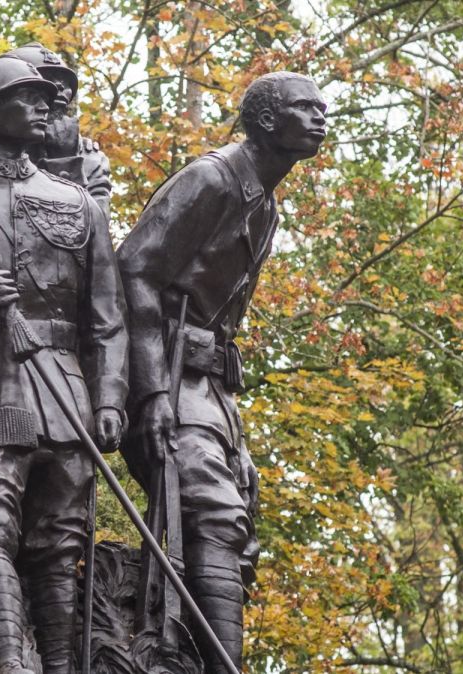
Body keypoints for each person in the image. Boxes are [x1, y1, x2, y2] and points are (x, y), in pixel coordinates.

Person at [116, 71, 327, 671]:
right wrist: (151, 391)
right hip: (164, 372)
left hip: (208, 383)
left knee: (239, 525)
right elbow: (133, 269)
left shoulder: (268, 204)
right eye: (304, 108)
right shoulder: (211, 180)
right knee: (212, 508)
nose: (320, 118)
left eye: (322, 109)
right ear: (265, 120)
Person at [0, 56, 128, 674]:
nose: (46, 106)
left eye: (48, 98)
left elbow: (108, 316)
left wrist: (112, 397)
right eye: (29, 97)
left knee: (61, 535)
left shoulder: (75, 201)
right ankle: (10, 663)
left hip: (65, 388)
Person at [3, 42, 111, 217]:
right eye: (48, 77)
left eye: (65, 82)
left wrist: (65, 160)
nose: (61, 86)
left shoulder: (90, 158)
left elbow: (95, 228)